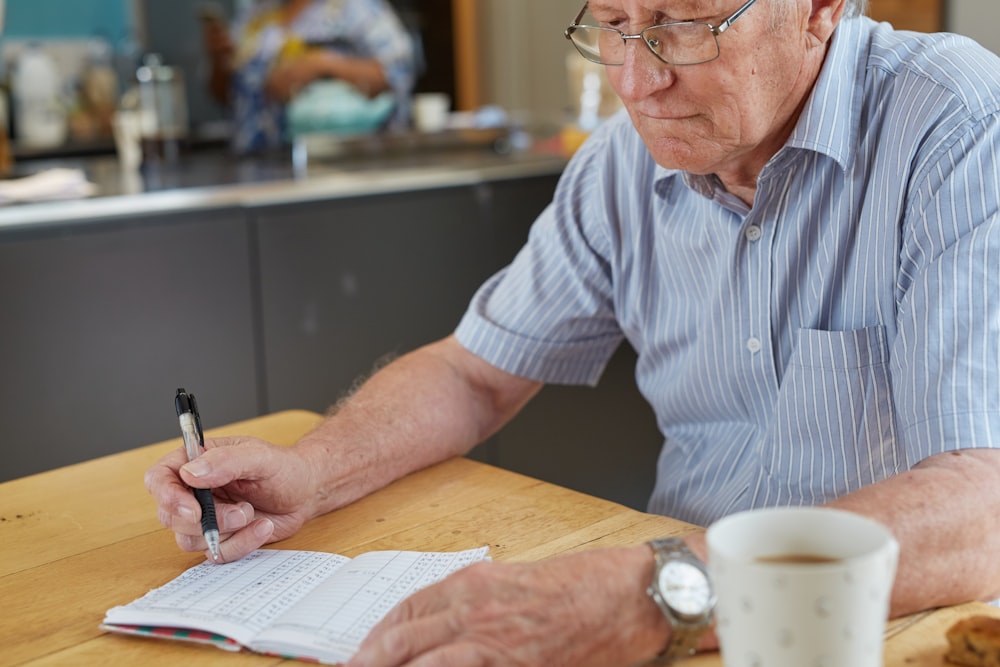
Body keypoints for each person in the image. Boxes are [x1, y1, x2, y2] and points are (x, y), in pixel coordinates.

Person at [148, 0, 1000, 664]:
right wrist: (310, 472)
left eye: (679, 27)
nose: (634, 82)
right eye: (616, 25)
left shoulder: (955, 126)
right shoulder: (621, 164)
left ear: (820, 8)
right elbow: (474, 374)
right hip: (669, 617)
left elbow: (980, 506)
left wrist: (646, 593)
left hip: (878, 630)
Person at [201, 0, 416, 153]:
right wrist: (219, 62)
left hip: (330, 161)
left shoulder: (354, 6)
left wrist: (322, 63)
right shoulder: (255, 13)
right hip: (254, 161)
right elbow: (227, 97)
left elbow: (399, 72)